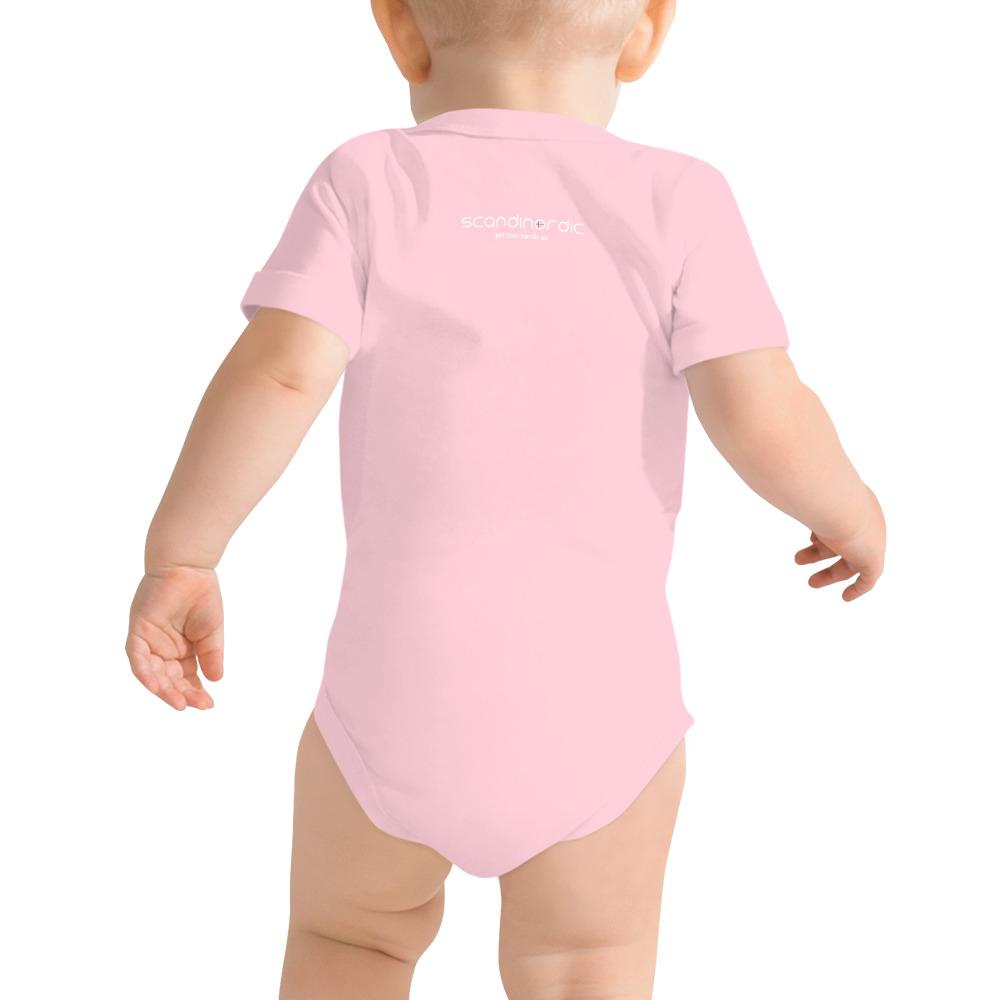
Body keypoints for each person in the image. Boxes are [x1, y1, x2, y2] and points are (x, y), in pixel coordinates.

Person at [125, 1, 886, 996]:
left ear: (399, 27)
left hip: (390, 704)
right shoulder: (679, 198)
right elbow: (763, 407)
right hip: (598, 710)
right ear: (648, 29)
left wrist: (183, 553)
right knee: (584, 960)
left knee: (349, 944)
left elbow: (277, 375)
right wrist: (847, 506)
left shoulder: (367, 179)